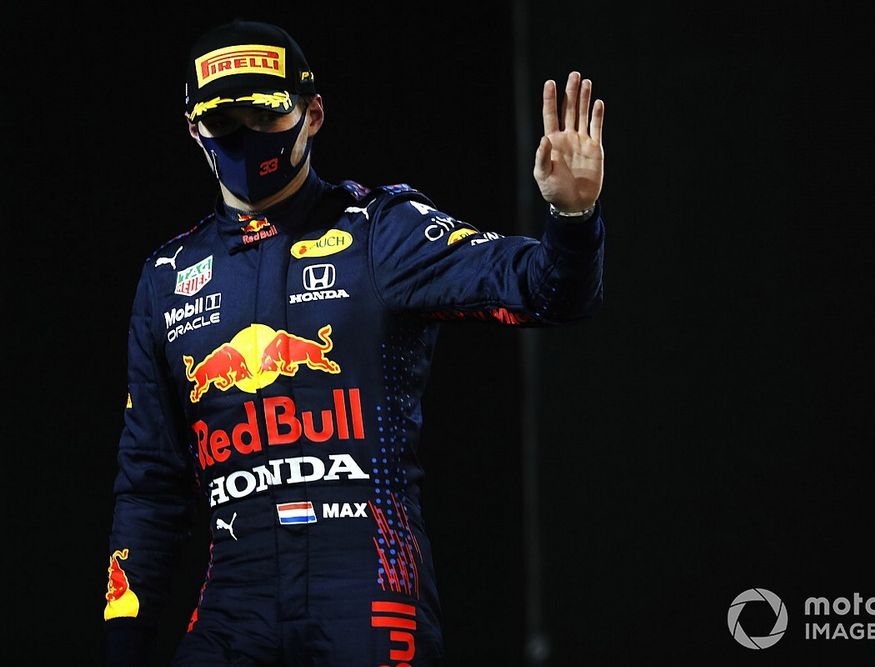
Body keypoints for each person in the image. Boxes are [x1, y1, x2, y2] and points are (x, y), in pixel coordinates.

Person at [102, 18, 606, 666]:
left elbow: (547, 293)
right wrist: (124, 643)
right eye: (223, 120)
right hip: (235, 604)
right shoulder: (168, 277)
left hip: (367, 595)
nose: (245, 136)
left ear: (312, 114)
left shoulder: (378, 231)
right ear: (192, 127)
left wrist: (573, 217)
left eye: (263, 113)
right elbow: (149, 485)